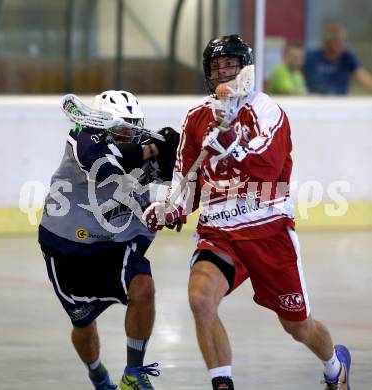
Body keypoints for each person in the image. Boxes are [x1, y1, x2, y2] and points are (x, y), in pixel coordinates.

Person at [143, 35, 351, 389]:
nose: (223, 73)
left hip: (268, 233)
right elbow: (186, 179)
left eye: (229, 65)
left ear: (244, 67)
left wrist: (233, 148)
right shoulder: (197, 118)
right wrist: (170, 208)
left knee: (298, 326)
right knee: (200, 298)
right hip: (220, 234)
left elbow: (269, 166)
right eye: (216, 67)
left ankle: (335, 367)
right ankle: (222, 383)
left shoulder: (266, 109)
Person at [38, 90, 179, 389]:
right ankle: (97, 375)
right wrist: (152, 151)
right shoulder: (82, 136)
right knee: (84, 327)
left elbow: (175, 182)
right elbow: (101, 164)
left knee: (145, 288)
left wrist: (175, 154)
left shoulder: (144, 144)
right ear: (102, 124)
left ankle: (134, 373)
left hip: (118, 240)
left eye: (133, 127)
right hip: (67, 244)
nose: (129, 134)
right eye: (121, 128)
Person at [303, 23, 372, 94]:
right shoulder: (311, 56)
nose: (340, 44)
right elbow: (298, 75)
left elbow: (362, 76)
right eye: (336, 41)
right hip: (315, 101)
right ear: (326, 42)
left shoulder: (347, 56)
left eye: (342, 41)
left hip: (340, 101)